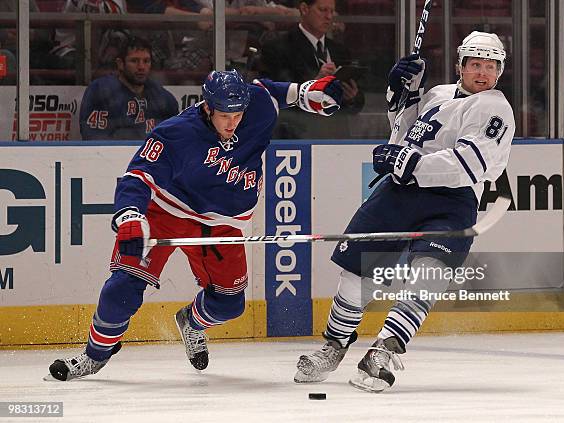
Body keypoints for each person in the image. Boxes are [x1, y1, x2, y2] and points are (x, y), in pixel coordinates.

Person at [45, 69, 343, 381]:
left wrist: (307, 91)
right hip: (166, 213)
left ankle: (192, 321)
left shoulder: (255, 104)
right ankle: (95, 355)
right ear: (208, 106)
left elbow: (272, 90)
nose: (232, 123)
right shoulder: (175, 133)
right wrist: (130, 217)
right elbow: (137, 177)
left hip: (221, 224)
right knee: (122, 287)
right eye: (225, 115)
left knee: (229, 305)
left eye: (238, 114)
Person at [294, 31, 515, 392]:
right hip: (400, 193)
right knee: (356, 273)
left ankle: (384, 350)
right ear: (460, 65)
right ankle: (333, 346)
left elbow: (470, 164)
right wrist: (401, 93)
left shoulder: (493, 107)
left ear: (499, 71)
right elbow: (403, 133)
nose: (482, 73)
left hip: (450, 201)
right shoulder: (439, 94)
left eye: (490, 66)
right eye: (475, 64)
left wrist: (405, 161)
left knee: (428, 275)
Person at [259, 0, 364, 138]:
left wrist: (352, 97)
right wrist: (313, 86)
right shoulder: (278, 48)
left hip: (336, 139)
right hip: (297, 138)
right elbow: (273, 96)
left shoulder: (340, 50)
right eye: (323, 10)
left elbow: (358, 103)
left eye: (332, 11)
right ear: (304, 9)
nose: (329, 16)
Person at [79, 36, 179, 140]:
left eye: (146, 61)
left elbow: (176, 137)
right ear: (120, 64)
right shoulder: (101, 90)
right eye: (134, 61)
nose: (141, 67)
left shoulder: (162, 97)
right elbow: (93, 137)